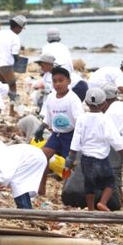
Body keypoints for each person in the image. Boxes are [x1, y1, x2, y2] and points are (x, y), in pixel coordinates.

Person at [66, 88, 123, 212]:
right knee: (110, 181)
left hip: (86, 159)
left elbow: (76, 139)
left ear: (86, 103)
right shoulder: (105, 119)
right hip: (101, 159)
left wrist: (70, 158)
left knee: (89, 184)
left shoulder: (82, 118)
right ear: (104, 104)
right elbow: (115, 139)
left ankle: (90, 209)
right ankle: (102, 203)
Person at [35, 67, 84, 195]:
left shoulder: (73, 99)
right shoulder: (51, 97)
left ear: (68, 81)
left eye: (61, 81)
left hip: (71, 135)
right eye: (54, 81)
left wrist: (79, 140)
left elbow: (80, 122)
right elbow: (48, 116)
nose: (57, 84)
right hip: (56, 135)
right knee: (42, 157)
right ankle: (41, 189)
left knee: (70, 164)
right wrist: (41, 128)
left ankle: (68, 191)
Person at [0, 15, 26, 105]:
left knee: (1, 87)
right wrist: (19, 61)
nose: (21, 31)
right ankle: (13, 110)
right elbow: (15, 54)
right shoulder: (15, 37)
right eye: (21, 28)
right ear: (18, 27)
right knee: (12, 86)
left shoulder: (2, 32)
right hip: (5, 65)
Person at [41, 29, 87, 101]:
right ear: (59, 38)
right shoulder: (64, 47)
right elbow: (70, 66)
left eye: (42, 65)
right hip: (73, 79)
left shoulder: (45, 48)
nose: (41, 67)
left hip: (73, 87)